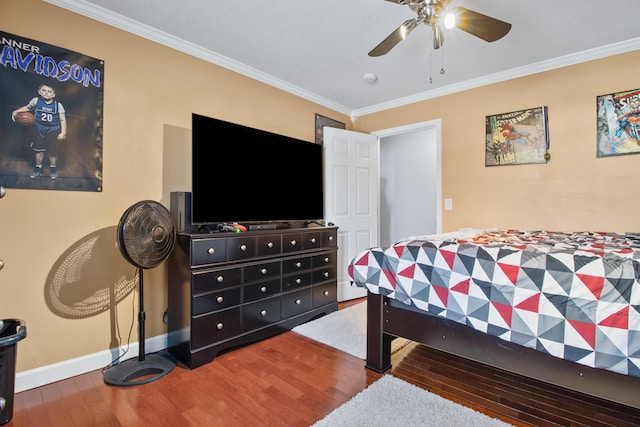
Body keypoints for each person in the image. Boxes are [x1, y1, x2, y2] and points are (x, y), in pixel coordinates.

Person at [12, 83, 67, 179]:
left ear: (53, 94)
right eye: (44, 90)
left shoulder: (58, 105)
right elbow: (28, 108)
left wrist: (63, 132)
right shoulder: (36, 101)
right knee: (38, 151)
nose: (46, 93)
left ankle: (53, 169)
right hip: (39, 129)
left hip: (53, 130)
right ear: (39, 92)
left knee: (53, 151)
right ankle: (38, 168)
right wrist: (17, 111)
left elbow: (62, 119)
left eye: (49, 91)